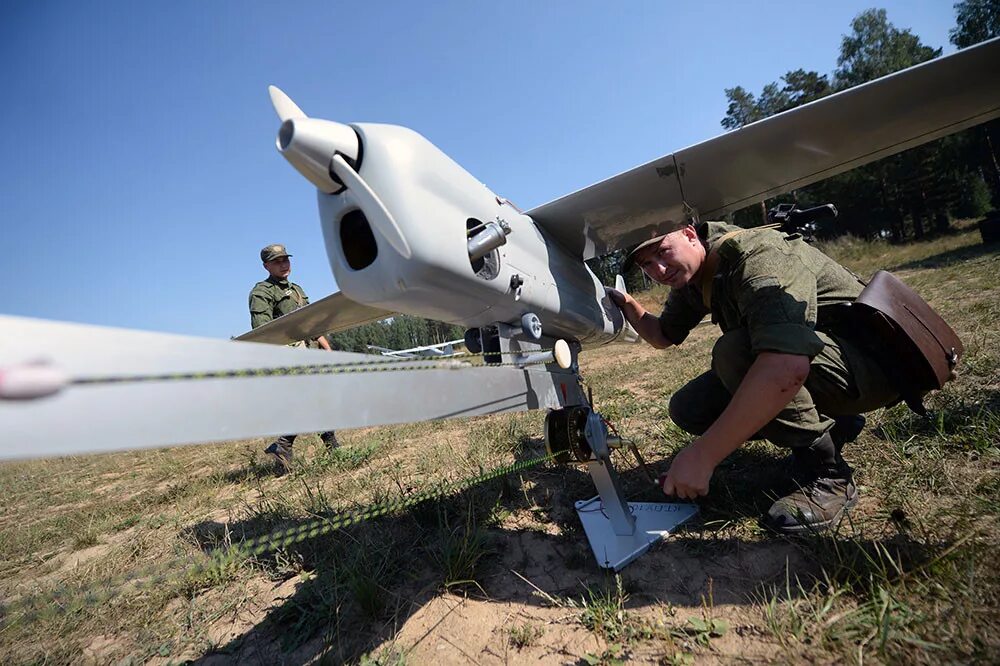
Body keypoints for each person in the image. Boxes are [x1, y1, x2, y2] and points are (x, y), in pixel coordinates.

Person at [605, 221, 899, 533]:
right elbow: (663, 334)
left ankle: (828, 475)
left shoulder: (758, 255)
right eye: (646, 264)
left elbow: (785, 367)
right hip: (830, 364)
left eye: (663, 252)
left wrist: (703, 455)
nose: (660, 270)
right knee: (690, 407)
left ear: (690, 235)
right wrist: (626, 304)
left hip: (876, 368)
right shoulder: (694, 275)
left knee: (735, 351)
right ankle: (835, 421)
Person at [249, 243, 339, 470]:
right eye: (277, 261)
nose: (283, 264)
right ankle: (312, 447)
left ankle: (286, 447)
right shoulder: (262, 293)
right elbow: (264, 332)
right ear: (266, 266)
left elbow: (310, 323)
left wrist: (325, 347)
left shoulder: (297, 289)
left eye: (285, 260)